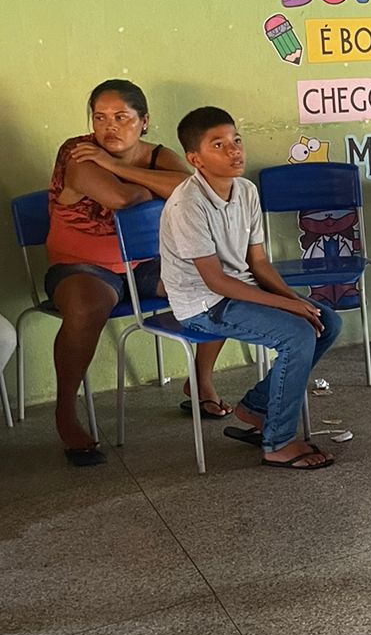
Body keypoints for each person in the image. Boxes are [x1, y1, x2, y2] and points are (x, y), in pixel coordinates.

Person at [45, 79, 226, 465]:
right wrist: (151, 190)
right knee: (87, 308)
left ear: (144, 121)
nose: (109, 127)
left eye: (121, 117)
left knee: (219, 284)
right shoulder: (78, 152)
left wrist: (116, 168)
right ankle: (65, 412)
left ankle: (200, 382)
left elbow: (197, 187)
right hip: (82, 267)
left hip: (145, 265)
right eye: (100, 117)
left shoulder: (157, 154)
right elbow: (119, 197)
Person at [158, 107, 342, 472]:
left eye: (236, 140)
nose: (234, 151)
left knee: (327, 322)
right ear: (195, 159)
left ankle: (257, 407)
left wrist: (293, 300)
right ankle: (278, 443)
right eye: (218, 145)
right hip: (203, 303)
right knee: (297, 335)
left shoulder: (245, 190)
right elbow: (215, 281)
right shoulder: (186, 204)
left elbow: (258, 262)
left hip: (239, 288)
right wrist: (288, 308)